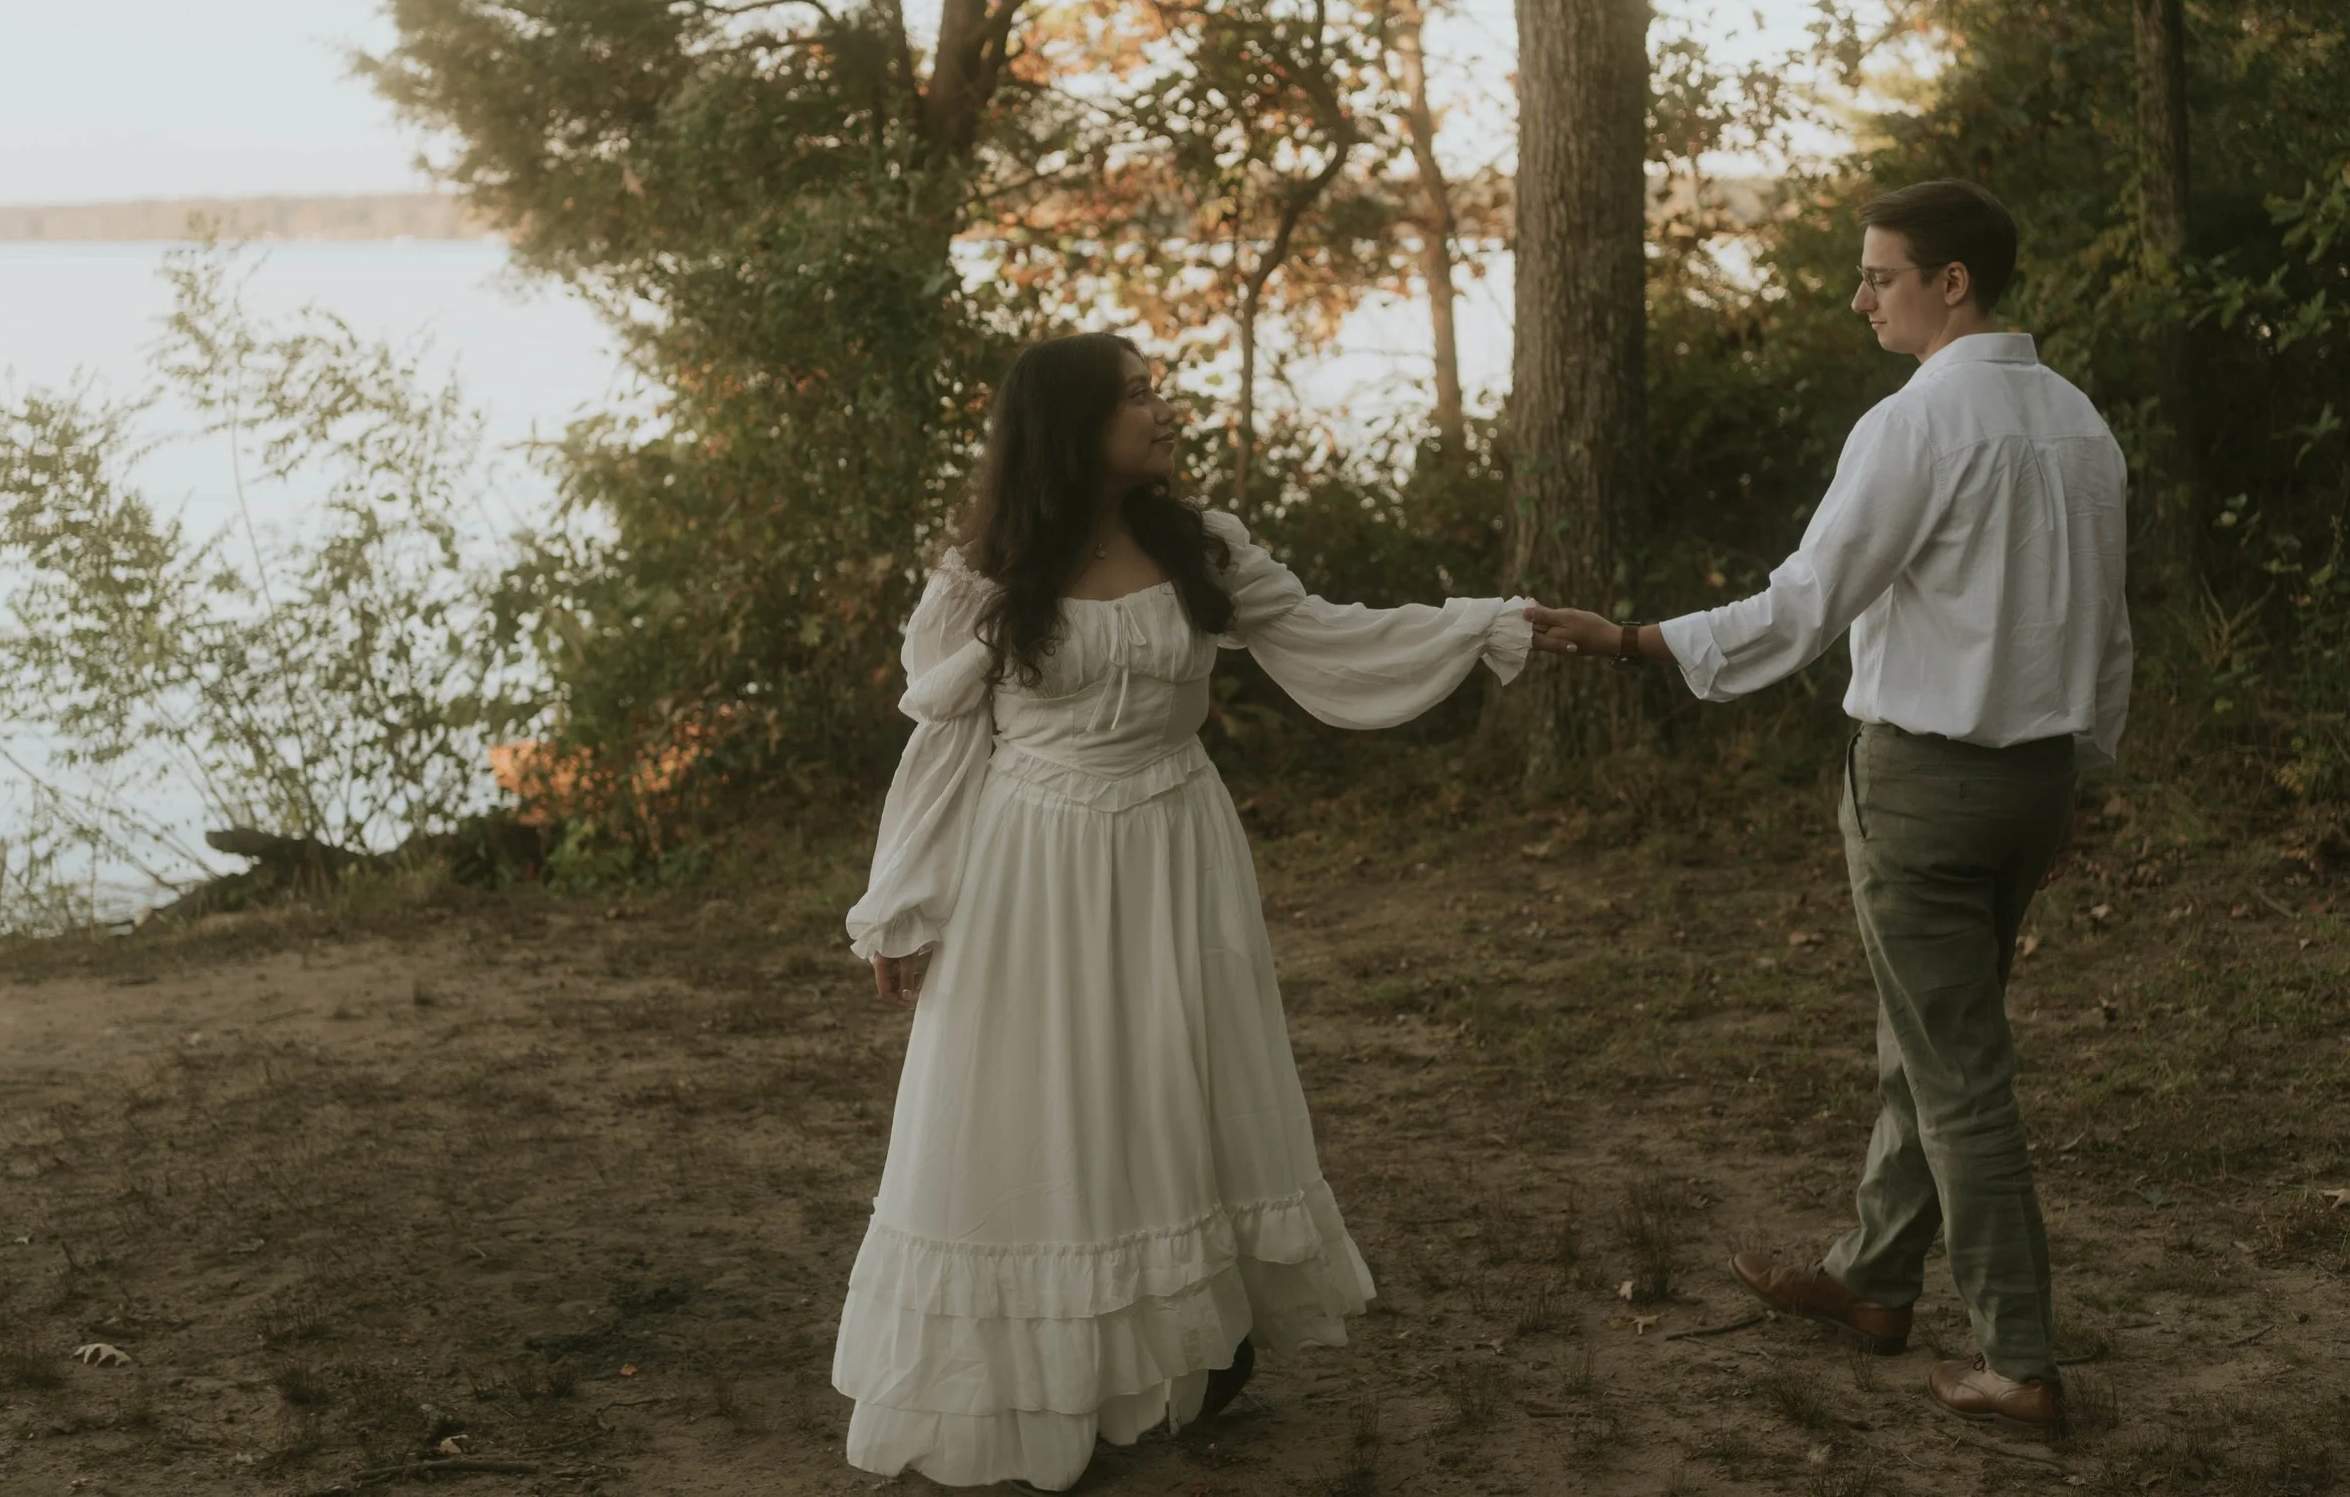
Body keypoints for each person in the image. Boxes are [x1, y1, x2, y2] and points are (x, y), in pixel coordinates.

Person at [833, 333, 1536, 1491]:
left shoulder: (1198, 543)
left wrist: (1476, 624)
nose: (1163, 411)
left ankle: (1185, 1348)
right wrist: (902, 904)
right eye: (1137, 397)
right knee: (1040, 1101)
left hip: (1174, 844)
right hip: (1034, 862)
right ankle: (1033, 1368)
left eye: (1157, 389)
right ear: (1069, 426)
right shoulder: (988, 570)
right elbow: (946, 745)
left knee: (1166, 1089)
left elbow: (1327, 636)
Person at [1527, 179, 2132, 1438]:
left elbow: (1805, 605)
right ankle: (1868, 1278)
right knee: (1925, 1039)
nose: (1860, 296)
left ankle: (2018, 1359)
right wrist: (2081, 762)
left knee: (1959, 1070)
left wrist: (1639, 637)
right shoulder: (2078, 422)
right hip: (2034, 786)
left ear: (1949, 281)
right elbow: (2106, 630)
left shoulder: (1917, 424)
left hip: (1927, 786)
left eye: (1878, 275)